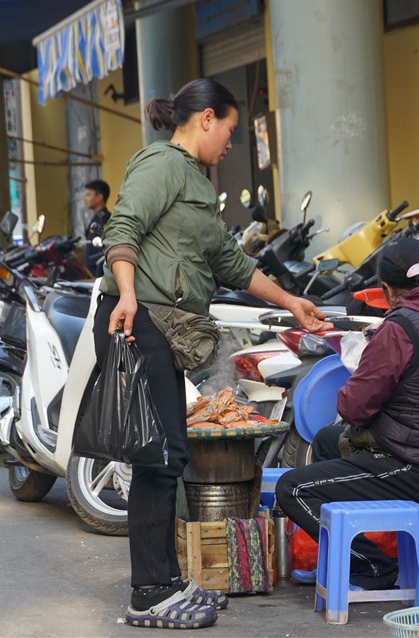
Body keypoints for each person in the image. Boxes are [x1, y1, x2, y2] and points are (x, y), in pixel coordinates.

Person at [95, 78, 330, 630]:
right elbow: (121, 228)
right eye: (228, 129)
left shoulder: (193, 182)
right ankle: (147, 592)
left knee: (168, 456)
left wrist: (292, 301)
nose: (230, 142)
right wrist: (127, 293)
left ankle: (166, 579)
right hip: (142, 322)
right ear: (205, 119)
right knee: (158, 458)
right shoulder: (160, 164)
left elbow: (231, 262)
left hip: (164, 327)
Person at [275, 237, 419, 590]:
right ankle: (336, 558)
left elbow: (354, 408)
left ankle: (372, 565)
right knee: (329, 441)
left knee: (293, 489)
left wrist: (367, 360)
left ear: (388, 290)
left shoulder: (399, 328)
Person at [83, 179, 111, 277]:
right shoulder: (97, 218)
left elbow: (103, 251)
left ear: (99, 197)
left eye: (89, 195)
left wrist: (98, 275)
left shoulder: (105, 219)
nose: (86, 198)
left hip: (98, 272)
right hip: (91, 271)